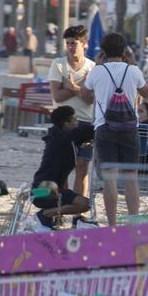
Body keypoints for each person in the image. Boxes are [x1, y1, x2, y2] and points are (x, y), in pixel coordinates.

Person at [79, 32, 148, 225]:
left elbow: (84, 95)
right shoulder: (133, 70)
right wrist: (132, 63)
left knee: (109, 178)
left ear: (103, 51)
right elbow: (146, 92)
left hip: (104, 127)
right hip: (129, 128)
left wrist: (98, 67)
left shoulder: (97, 71)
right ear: (124, 50)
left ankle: (112, 225)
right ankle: (133, 223)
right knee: (131, 177)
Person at [49, 25, 96, 198]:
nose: (70, 47)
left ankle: (79, 207)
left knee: (82, 168)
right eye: (68, 43)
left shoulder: (92, 67)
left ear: (84, 43)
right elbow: (57, 96)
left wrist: (73, 87)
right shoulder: (58, 64)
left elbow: (91, 99)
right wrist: (82, 87)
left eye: (74, 43)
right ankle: (63, 206)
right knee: (63, 168)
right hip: (63, 124)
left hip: (85, 122)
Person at [31, 105, 95, 228]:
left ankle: (49, 217)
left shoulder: (57, 136)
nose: (77, 123)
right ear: (66, 123)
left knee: (80, 201)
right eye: (75, 120)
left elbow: (73, 140)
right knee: (86, 204)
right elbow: (90, 131)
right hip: (44, 191)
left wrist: (82, 144)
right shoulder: (63, 137)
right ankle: (45, 215)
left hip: (42, 189)